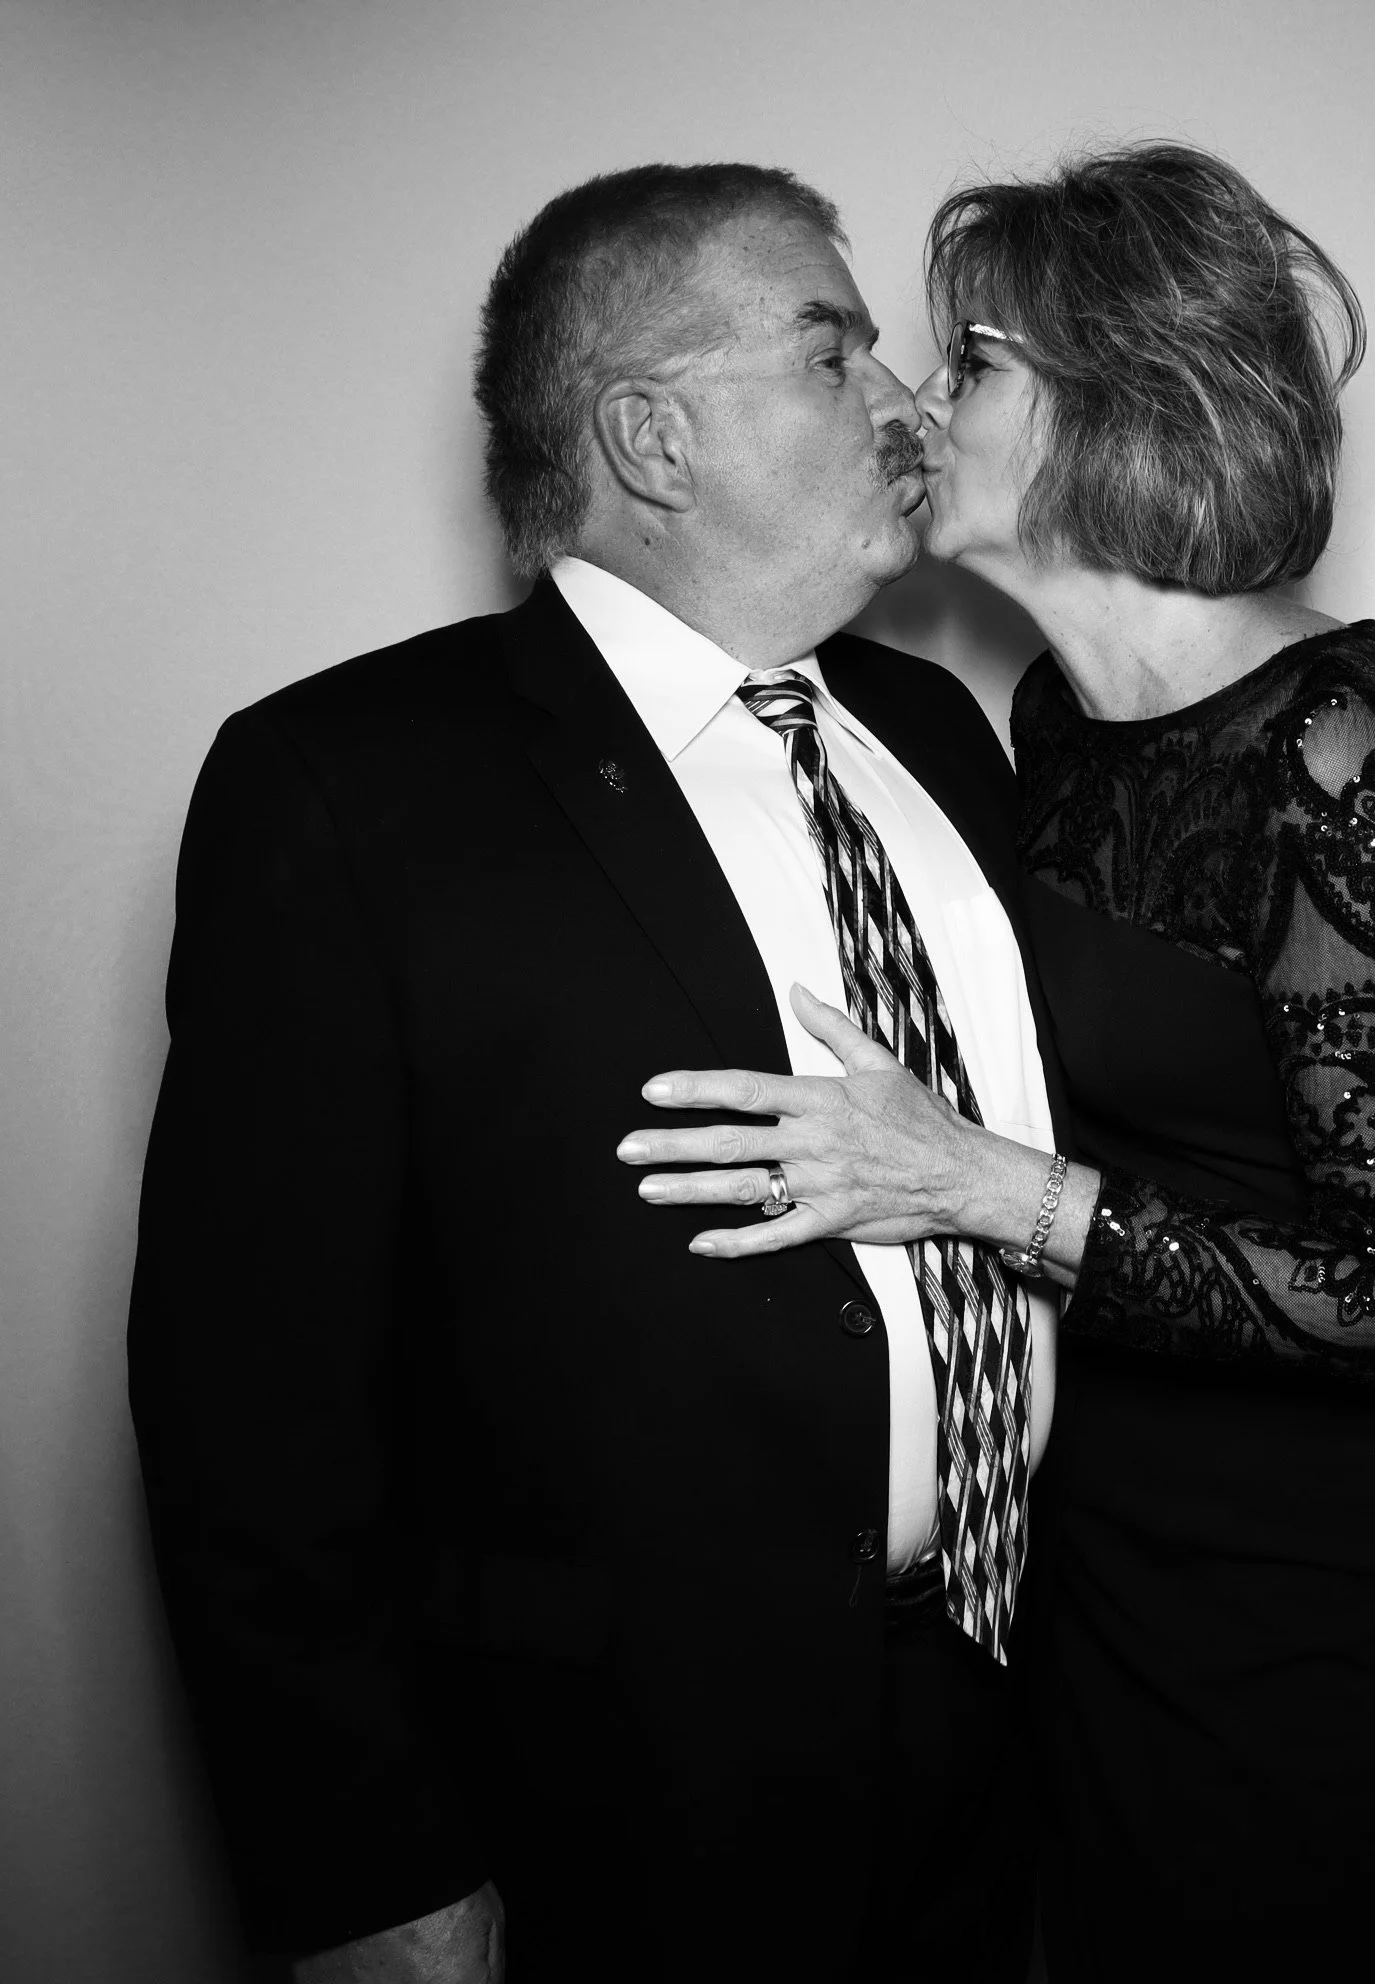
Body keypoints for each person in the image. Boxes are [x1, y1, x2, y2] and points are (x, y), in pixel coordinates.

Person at [127, 162, 1064, 1984]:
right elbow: (248, 1401)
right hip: (611, 1804)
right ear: (651, 434)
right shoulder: (347, 784)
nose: (902, 399)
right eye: (831, 351)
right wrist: (369, 1874)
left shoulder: (945, 734)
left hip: (988, 1734)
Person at [619, 142, 1375, 1981]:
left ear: (1114, 404)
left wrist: (964, 1182)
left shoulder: (1340, 753)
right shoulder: (1046, 725)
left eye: (976, 365)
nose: (923, 407)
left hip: (1297, 1570)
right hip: (1084, 1513)